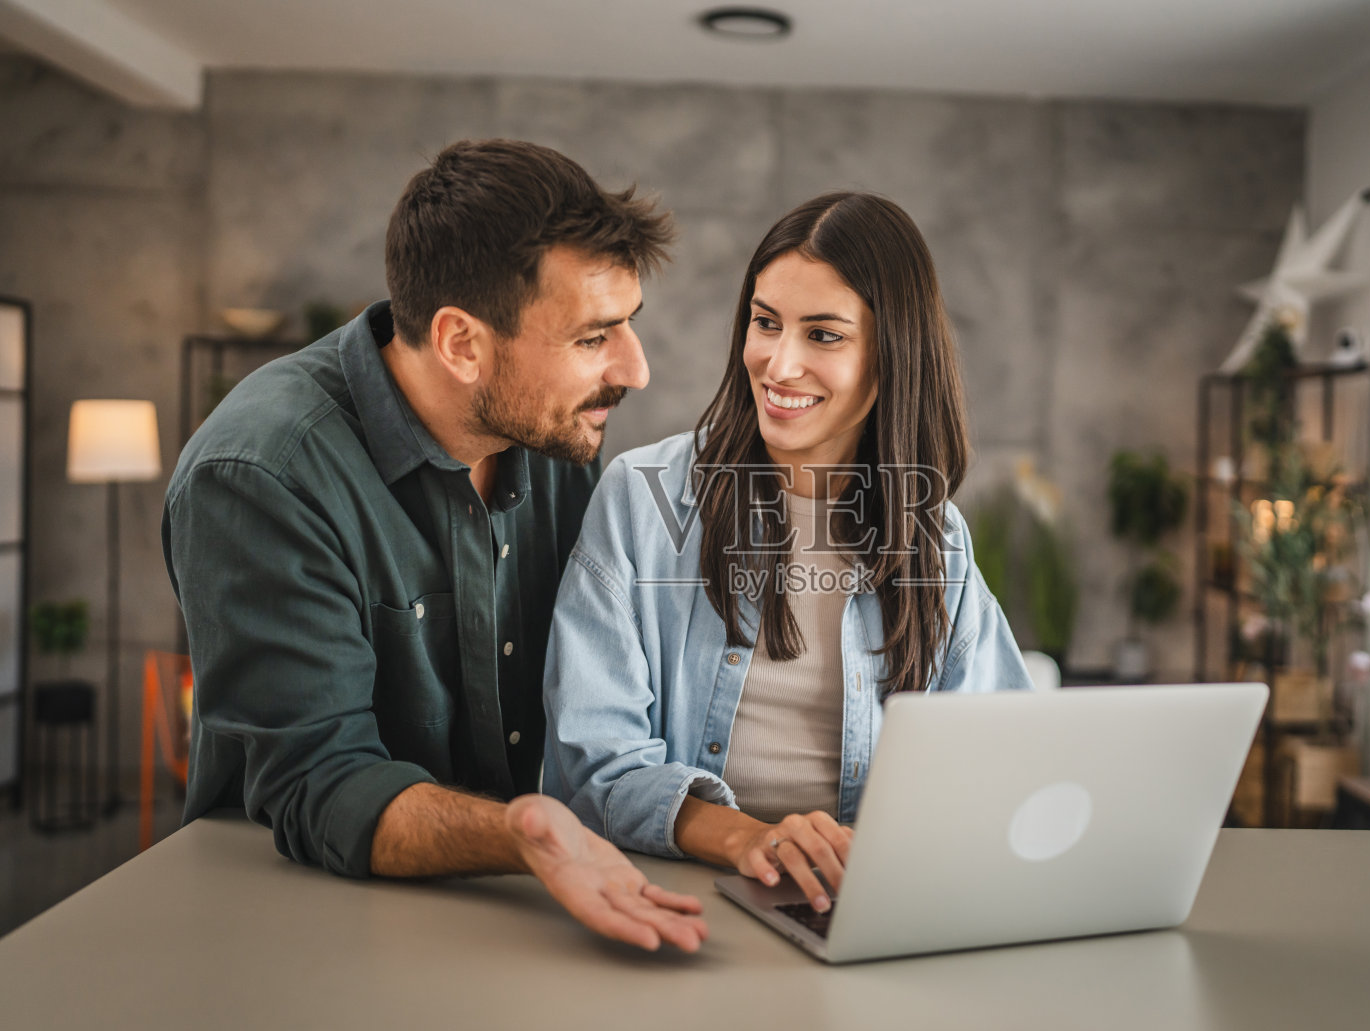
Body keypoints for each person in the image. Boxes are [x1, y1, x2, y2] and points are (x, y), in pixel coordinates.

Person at [163, 139, 706, 953]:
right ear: (461, 342)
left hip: (530, 909)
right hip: (297, 927)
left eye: (629, 325)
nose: (637, 367)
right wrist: (526, 833)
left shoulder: (558, 441)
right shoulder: (261, 472)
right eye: (595, 337)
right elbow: (323, 779)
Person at [544, 191, 1032, 916]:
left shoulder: (937, 538)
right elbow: (592, 764)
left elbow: (1000, 757)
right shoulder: (641, 501)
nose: (779, 363)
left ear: (890, 354)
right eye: (765, 323)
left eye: (824, 335)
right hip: (676, 894)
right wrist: (749, 838)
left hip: (867, 903)